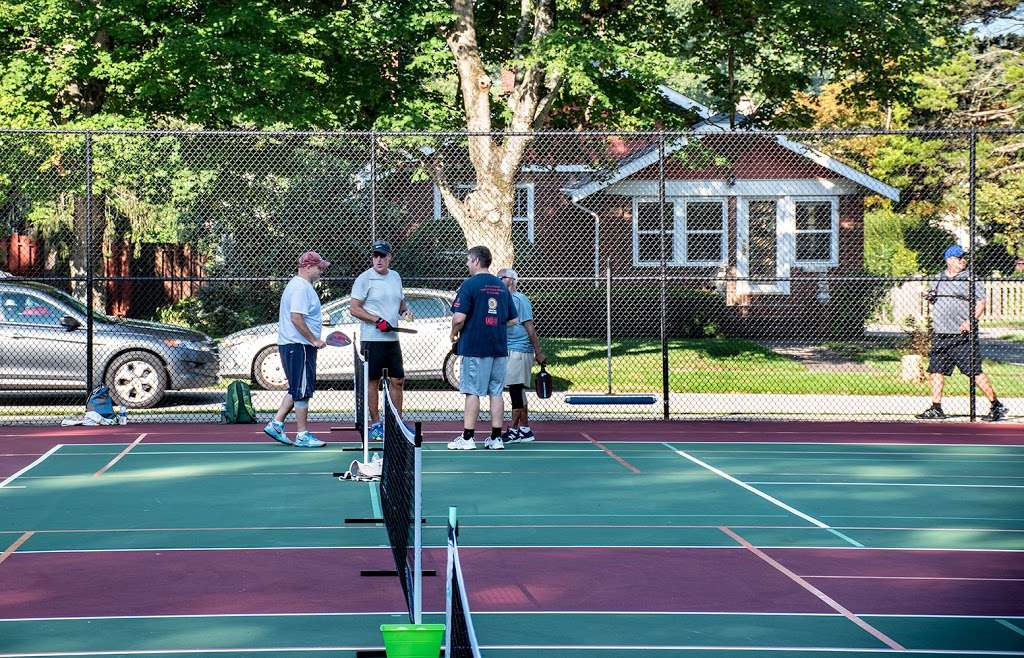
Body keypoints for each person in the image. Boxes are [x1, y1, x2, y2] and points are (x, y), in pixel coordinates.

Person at [916, 245, 1007, 422]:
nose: (963, 260)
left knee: (974, 372)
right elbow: (933, 298)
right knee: (936, 370)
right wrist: (928, 296)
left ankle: (996, 405)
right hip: (941, 334)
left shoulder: (971, 279)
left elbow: (981, 303)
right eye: (959, 258)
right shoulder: (938, 279)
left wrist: (971, 321)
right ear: (949, 260)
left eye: (964, 257)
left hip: (962, 336)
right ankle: (936, 408)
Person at [447, 246, 518, 451]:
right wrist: (494, 325)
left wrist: (453, 332)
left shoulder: (469, 285)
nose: (467, 264)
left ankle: (468, 437)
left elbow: (459, 317)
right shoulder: (501, 286)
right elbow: (513, 320)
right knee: (496, 391)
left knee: (473, 392)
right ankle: (496, 438)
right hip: (498, 347)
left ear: (476, 261)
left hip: (475, 346)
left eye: (469, 260)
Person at [263, 251, 331, 448]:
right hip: (299, 346)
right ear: (308, 267)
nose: (320, 271)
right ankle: (302, 434)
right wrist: (314, 340)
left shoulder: (300, 286)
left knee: (297, 388)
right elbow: (296, 318)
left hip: (297, 346)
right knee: (302, 391)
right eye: (319, 267)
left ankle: (276, 424)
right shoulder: (301, 288)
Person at [349, 240, 413, 437]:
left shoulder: (395, 277)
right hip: (372, 339)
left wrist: (405, 311)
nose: (379, 259)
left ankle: (396, 423)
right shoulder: (364, 279)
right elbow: (354, 309)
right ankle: (376, 424)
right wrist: (376, 320)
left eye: (383, 256)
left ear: (389, 258)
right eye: (376, 256)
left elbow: (400, 304)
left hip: (392, 339)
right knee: (373, 382)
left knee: (398, 380)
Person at [497, 268, 545, 443]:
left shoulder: (520, 299)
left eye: (501, 277)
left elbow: (530, 327)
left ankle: (513, 430)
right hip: (508, 349)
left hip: (519, 350)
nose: (498, 279)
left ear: (510, 280)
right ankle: (525, 430)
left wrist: (538, 351)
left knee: (516, 391)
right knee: (518, 391)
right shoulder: (502, 300)